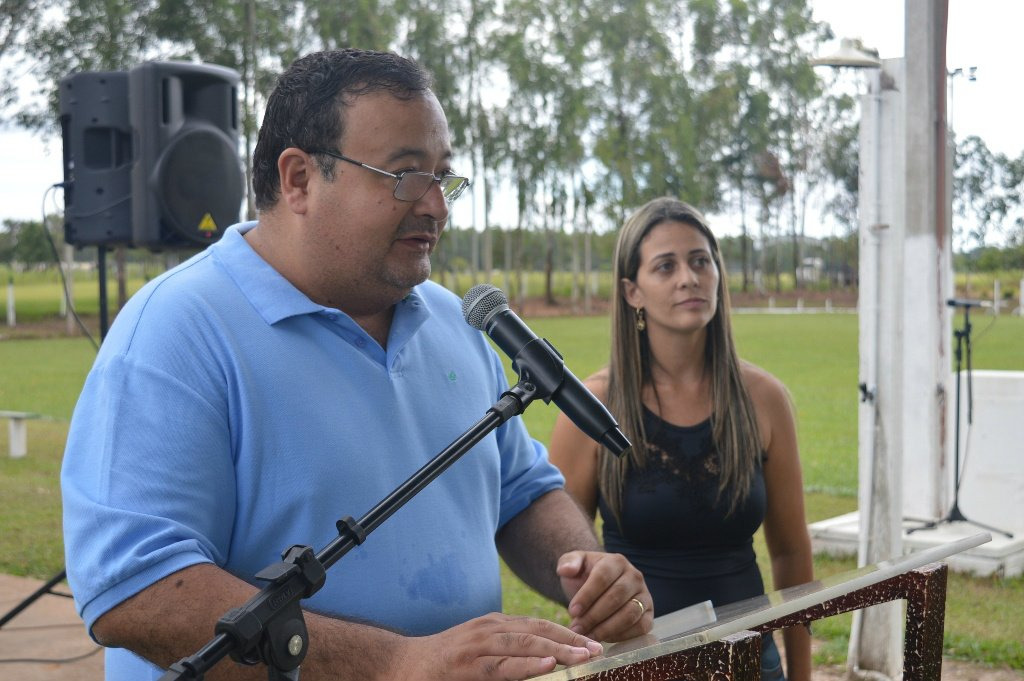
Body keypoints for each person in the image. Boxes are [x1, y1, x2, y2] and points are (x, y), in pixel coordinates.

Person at [60, 48, 653, 681]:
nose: (435, 206)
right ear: (299, 180)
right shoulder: (177, 329)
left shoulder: (457, 323)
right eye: (403, 176)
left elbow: (520, 492)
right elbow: (136, 592)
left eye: (442, 177)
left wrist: (587, 570)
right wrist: (393, 663)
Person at [548, 197, 813, 681]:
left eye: (700, 261)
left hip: (751, 663)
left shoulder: (764, 398)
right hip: (639, 665)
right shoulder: (593, 405)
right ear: (633, 291)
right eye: (665, 266)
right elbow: (562, 556)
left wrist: (801, 675)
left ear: (717, 274)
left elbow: (792, 555)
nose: (688, 278)